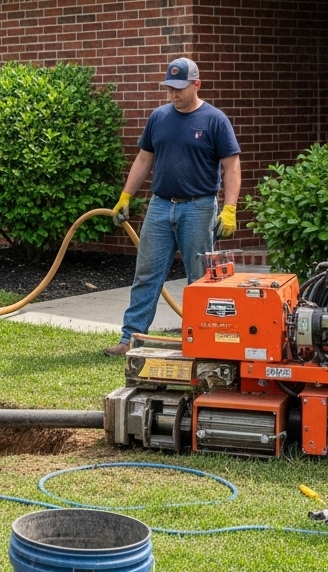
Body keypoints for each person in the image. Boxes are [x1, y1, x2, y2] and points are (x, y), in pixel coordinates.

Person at [103, 58, 241, 357]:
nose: (173, 94)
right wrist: (126, 196)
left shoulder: (214, 120)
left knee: (200, 279)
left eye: (179, 89)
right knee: (147, 273)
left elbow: (231, 166)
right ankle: (131, 338)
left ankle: (201, 340)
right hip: (160, 206)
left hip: (199, 207)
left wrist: (229, 209)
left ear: (196, 84)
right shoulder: (159, 117)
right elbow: (143, 159)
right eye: (169, 89)